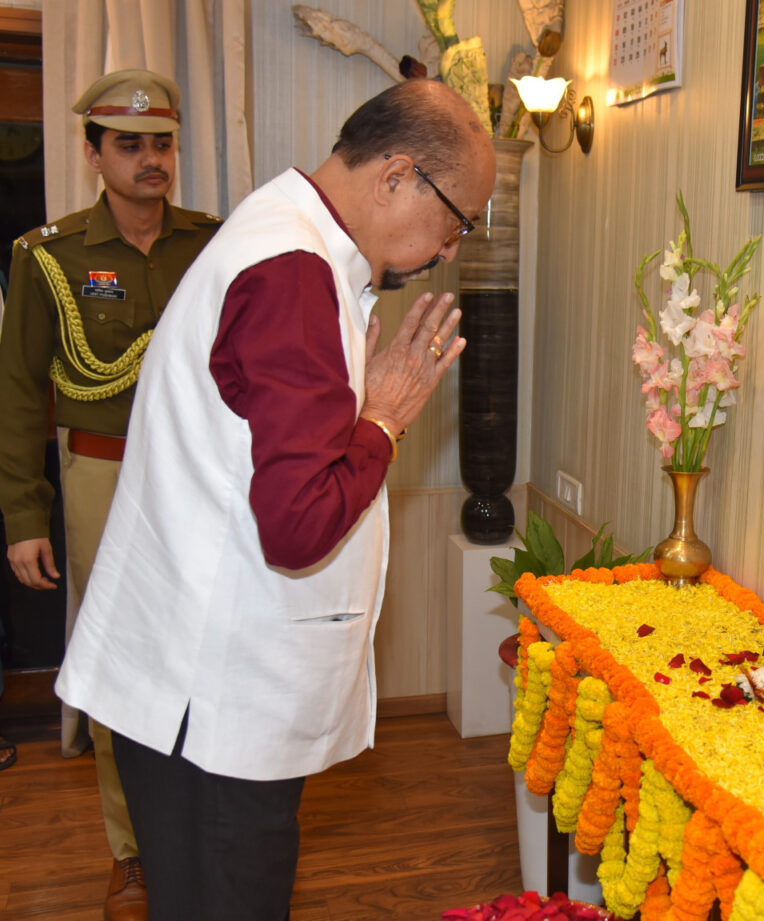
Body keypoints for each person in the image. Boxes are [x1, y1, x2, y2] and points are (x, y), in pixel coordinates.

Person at [56, 77, 497, 920]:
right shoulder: (294, 272)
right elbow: (297, 525)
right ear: (396, 175)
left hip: (189, 683)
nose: (449, 249)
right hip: (212, 703)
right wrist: (384, 420)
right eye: (456, 221)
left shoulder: (281, 231)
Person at [0, 68, 221, 920]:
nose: (150, 159)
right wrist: (25, 515)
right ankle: (132, 850)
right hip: (103, 470)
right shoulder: (48, 257)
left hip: (203, 475)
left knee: (206, 650)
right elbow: (20, 394)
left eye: (161, 142)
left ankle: (208, 823)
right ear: (93, 153)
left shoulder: (212, 243)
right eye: (129, 144)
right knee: (122, 663)